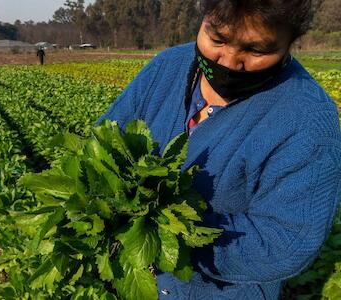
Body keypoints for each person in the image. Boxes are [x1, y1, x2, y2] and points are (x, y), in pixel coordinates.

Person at [98, 0, 341, 299]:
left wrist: (170, 233)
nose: (228, 61)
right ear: (203, 19)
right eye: (217, 39)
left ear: (290, 42)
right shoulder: (167, 67)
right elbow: (105, 141)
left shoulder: (307, 121)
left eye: (255, 50)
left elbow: (288, 241)